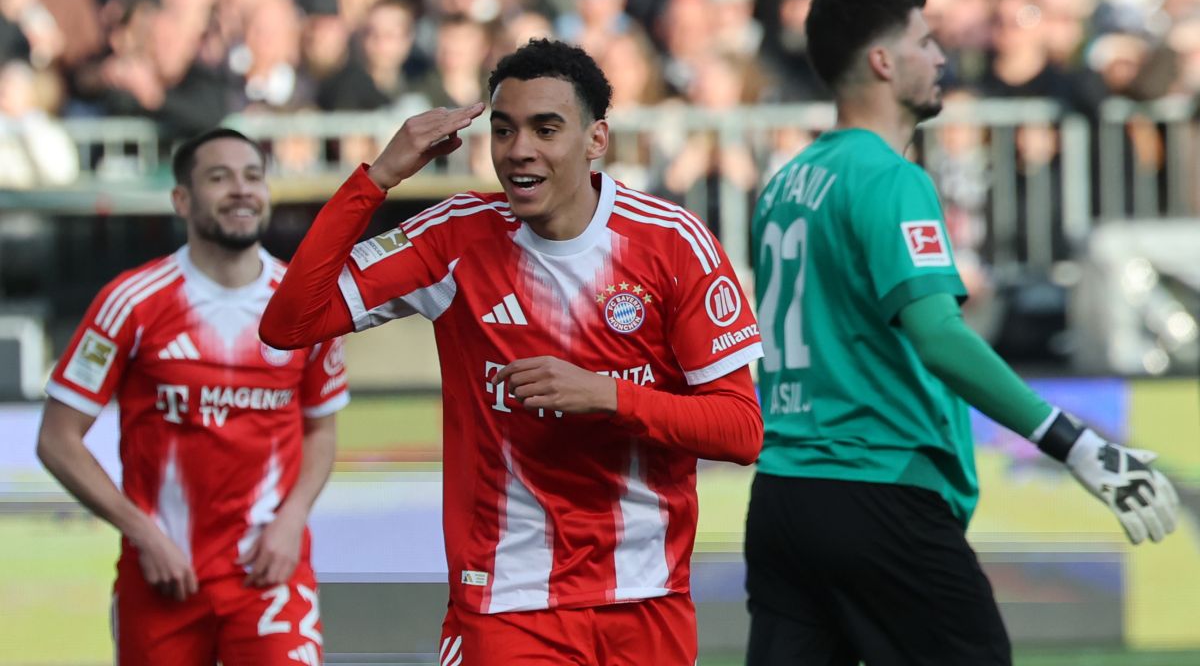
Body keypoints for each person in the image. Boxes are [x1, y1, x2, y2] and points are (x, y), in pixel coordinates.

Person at [259, 38, 764, 664]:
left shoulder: (672, 244)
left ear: (595, 140)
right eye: (504, 131)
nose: (519, 150)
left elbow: (741, 431)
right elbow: (289, 321)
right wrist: (378, 177)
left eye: (545, 129)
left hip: (645, 596)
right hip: (506, 603)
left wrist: (607, 395)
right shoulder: (455, 236)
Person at [744, 0, 1180, 666]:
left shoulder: (784, 185)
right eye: (924, 40)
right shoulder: (891, 179)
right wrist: (1074, 442)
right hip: (880, 486)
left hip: (784, 491)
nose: (941, 56)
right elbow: (940, 335)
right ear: (884, 62)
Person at [37, 129, 349, 666]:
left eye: (253, 176)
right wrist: (142, 533)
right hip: (164, 574)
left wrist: (293, 516)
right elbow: (57, 440)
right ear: (181, 199)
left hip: (268, 572)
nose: (241, 191)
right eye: (219, 177)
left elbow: (320, 428)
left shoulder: (307, 307)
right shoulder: (130, 302)